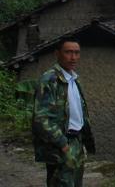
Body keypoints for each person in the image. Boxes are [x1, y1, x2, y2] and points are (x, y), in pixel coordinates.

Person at [32, 37, 96, 187]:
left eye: (76, 53)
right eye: (68, 52)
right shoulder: (50, 80)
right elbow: (41, 119)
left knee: (75, 183)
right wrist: (62, 144)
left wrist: (83, 142)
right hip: (61, 144)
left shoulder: (74, 79)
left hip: (77, 142)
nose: (73, 57)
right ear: (57, 53)